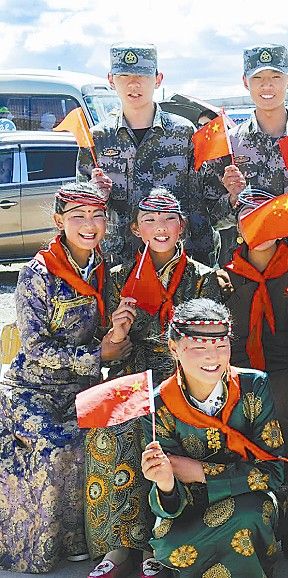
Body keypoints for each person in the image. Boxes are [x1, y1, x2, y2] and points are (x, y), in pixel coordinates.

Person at [85, 189, 219, 578]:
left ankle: (160, 544)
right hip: (131, 372)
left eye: (168, 219)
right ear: (135, 229)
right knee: (107, 431)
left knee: (165, 438)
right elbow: (107, 348)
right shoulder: (117, 278)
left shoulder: (203, 278)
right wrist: (117, 332)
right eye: (149, 220)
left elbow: (209, 341)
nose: (160, 228)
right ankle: (119, 545)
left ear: (182, 227)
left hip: (183, 377)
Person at [0, 183, 131, 572]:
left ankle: (90, 538)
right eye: (78, 217)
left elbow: (103, 328)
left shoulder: (104, 268)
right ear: (59, 221)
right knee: (59, 444)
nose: (89, 225)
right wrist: (98, 355)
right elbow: (35, 348)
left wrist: (118, 330)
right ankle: (37, 546)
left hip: (80, 389)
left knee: (104, 439)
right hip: (31, 390)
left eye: (97, 216)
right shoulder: (37, 273)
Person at [214, 187, 288, 560]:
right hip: (239, 376)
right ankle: (251, 520)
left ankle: (286, 519)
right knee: (239, 413)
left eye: (268, 219)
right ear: (238, 227)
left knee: (280, 418)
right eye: (250, 219)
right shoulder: (224, 277)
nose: (260, 228)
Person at [141, 298, 286, 577]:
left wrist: (200, 472)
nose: (213, 357)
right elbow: (168, 508)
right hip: (192, 511)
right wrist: (166, 483)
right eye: (199, 347)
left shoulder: (253, 386)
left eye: (221, 346)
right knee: (169, 546)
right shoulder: (159, 404)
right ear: (174, 348)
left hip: (249, 501)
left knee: (247, 519)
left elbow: (274, 473)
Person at [200, 44, 288, 280]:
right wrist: (233, 199)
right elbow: (211, 219)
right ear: (245, 82)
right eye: (258, 78)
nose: (267, 85)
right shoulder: (229, 146)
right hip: (248, 274)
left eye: (275, 77)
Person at [77, 43, 214, 267]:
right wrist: (94, 195)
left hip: (176, 261)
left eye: (143, 75)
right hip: (119, 263)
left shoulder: (183, 133)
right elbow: (80, 209)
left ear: (158, 79)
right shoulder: (98, 139)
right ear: (111, 80)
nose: (134, 83)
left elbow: (200, 201)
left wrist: (202, 257)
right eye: (124, 76)